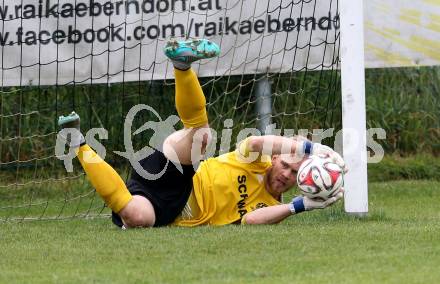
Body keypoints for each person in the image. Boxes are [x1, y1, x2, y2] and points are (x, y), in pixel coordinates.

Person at [57, 39, 344, 229]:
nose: (285, 174)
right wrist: (310, 149)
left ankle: (78, 143)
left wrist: (302, 205)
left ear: (300, 184)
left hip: (167, 208)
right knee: (201, 136)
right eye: (285, 164)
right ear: (275, 159)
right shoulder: (254, 159)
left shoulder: (273, 206)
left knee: (135, 216)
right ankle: (182, 65)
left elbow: (252, 222)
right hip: (183, 174)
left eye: (294, 174)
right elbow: (257, 141)